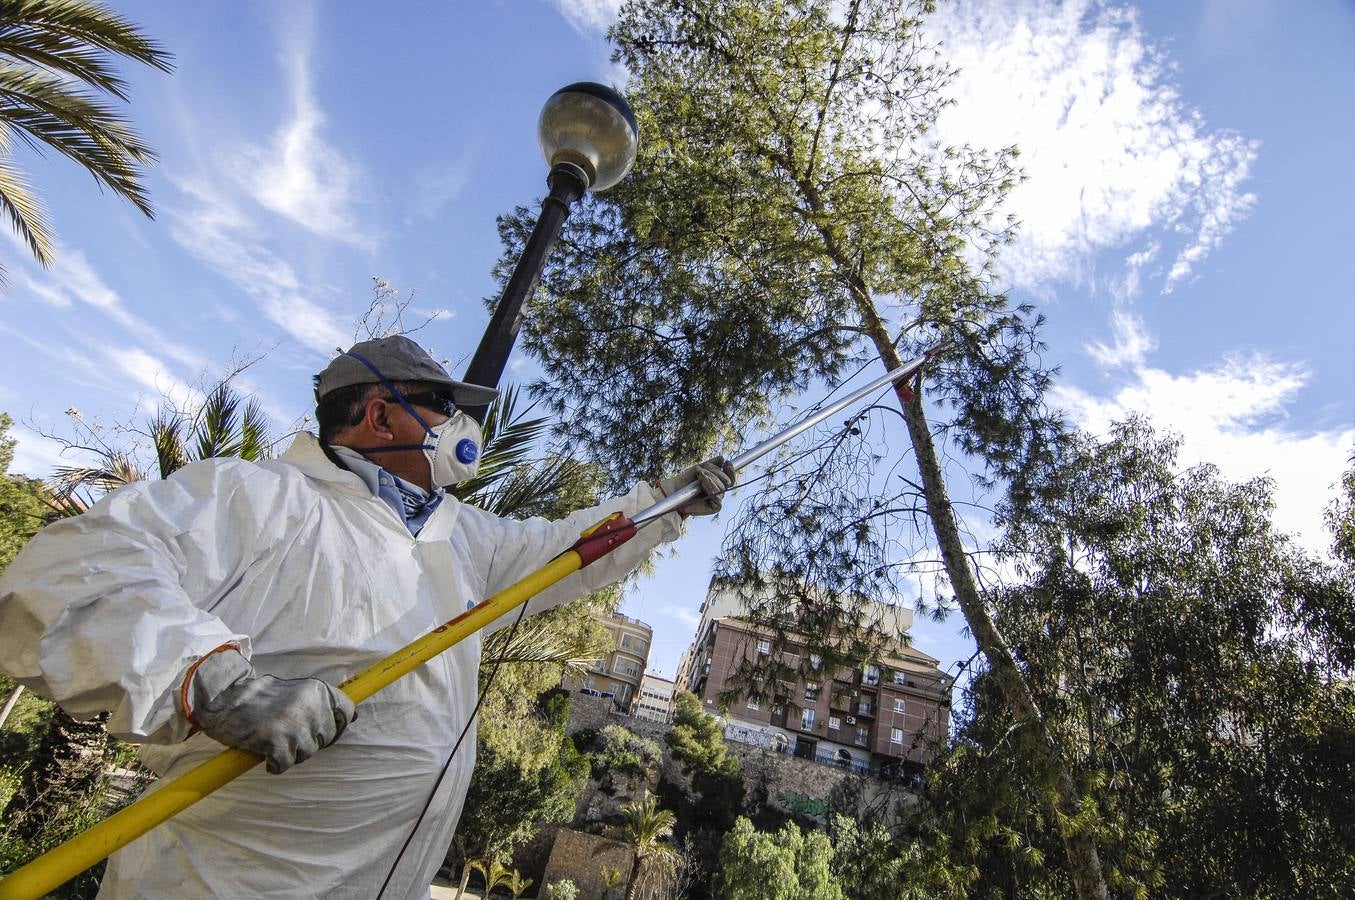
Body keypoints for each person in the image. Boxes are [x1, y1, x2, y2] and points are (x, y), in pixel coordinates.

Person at [0, 335, 735, 899]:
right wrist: (212, 681)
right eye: (441, 406)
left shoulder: (464, 536)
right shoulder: (257, 496)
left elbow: (568, 550)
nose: (460, 423)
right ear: (379, 412)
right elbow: (65, 572)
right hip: (229, 881)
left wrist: (665, 504)